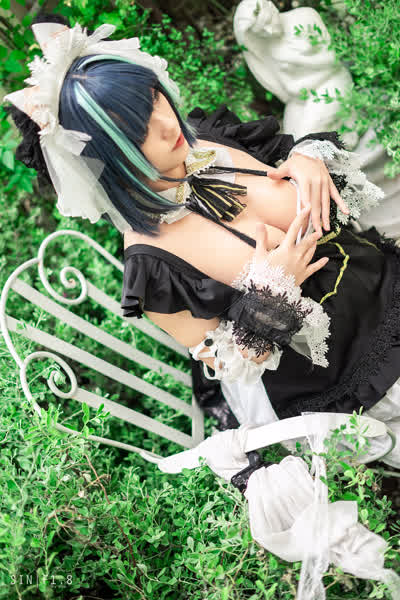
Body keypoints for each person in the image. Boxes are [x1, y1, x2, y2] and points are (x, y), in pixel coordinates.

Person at [4, 14, 400, 468]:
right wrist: (274, 293)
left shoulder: (210, 138)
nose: (165, 123)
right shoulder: (154, 265)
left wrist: (306, 158)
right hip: (344, 378)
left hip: (380, 281)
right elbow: (231, 365)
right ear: (105, 160)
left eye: (152, 98)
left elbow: (304, 184)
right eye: (137, 129)